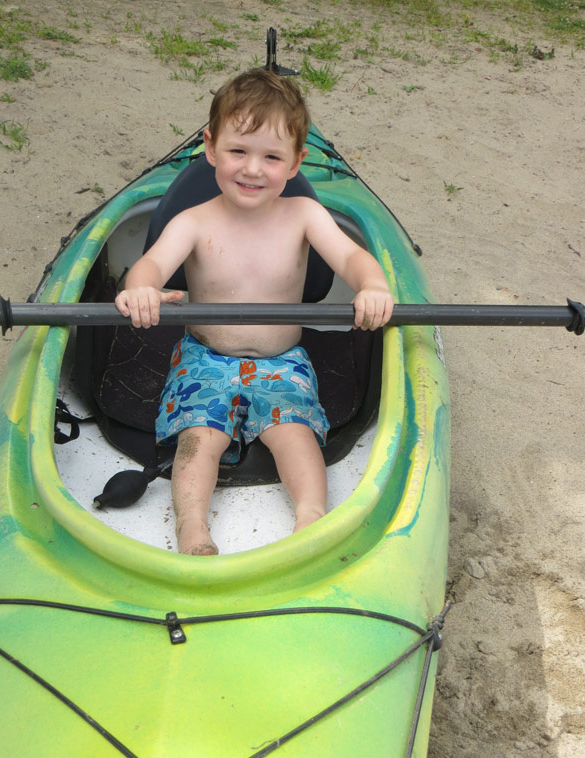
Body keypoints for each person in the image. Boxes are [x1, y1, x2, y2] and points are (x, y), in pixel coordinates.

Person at [115, 69, 394, 556]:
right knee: (198, 439)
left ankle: (310, 515)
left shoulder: (304, 215)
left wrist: (371, 284)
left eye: (271, 157)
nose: (252, 169)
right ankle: (193, 529)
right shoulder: (193, 221)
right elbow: (152, 265)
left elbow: (350, 257)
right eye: (238, 151)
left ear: (295, 163)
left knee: (296, 434)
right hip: (205, 357)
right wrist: (141, 290)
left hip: (282, 362)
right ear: (210, 147)